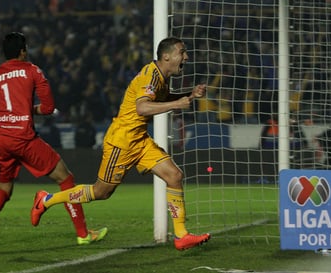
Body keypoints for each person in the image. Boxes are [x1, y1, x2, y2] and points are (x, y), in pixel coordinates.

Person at [31, 37, 211, 251]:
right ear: (166, 56)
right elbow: (142, 108)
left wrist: (189, 95)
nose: (186, 57)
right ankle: (46, 199)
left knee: (174, 175)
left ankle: (181, 235)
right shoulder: (150, 76)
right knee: (101, 192)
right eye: (182, 52)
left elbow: (160, 99)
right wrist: (178, 104)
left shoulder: (160, 77)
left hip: (140, 140)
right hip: (122, 141)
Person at [0, 32, 107, 246]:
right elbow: (48, 108)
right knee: (66, 179)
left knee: (3, 190)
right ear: (23, 51)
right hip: (23, 138)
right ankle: (83, 234)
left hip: (0, 141)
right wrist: (30, 109)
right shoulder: (32, 70)